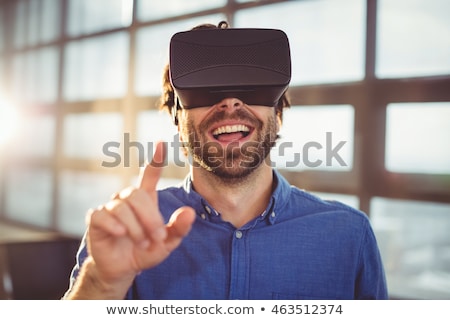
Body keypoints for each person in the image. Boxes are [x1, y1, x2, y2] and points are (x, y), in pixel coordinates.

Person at [63, 22, 388, 300]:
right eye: (205, 89)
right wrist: (103, 284)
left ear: (278, 112)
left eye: (251, 88)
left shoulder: (349, 235)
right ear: (178, 118)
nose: (230, 102)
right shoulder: (129, 229)